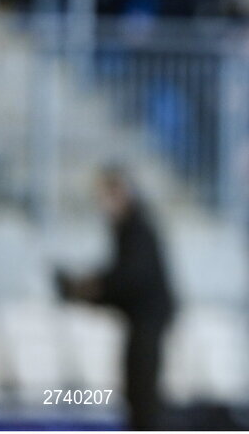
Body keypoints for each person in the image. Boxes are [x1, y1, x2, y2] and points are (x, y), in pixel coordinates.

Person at [56, 166, 175, 430]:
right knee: (135, 389)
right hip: (140, 320)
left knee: (142, 391)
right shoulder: (128, 227)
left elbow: (130, 279)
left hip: (149, 320)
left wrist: (91, 289)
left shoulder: (136, 228)